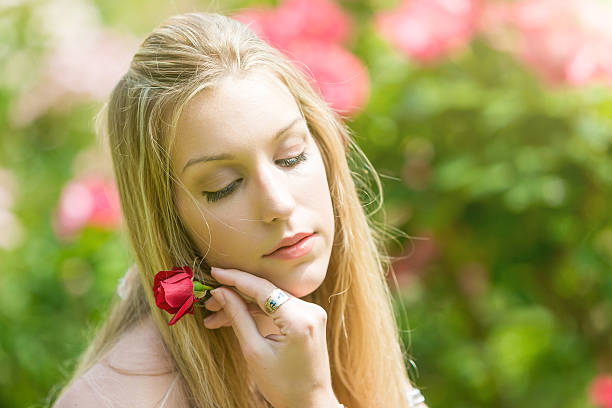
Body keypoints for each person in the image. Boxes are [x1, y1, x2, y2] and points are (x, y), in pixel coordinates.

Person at [51, 11, 427, 408]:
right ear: (168, 219)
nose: (279, 204)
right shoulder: (116, 400)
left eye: (291, 157)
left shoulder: (334, 329)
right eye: (224, 186)